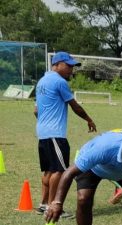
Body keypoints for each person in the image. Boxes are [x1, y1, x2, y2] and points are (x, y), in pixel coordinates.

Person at [34, 51, 97, 215]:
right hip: (56, 133)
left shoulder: (41, 81)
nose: (71, 70)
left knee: (48, 170)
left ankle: (43, 204)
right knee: (59, 170)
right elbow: (74, 105)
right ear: (57, 64)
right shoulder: (59, 81)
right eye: (68, 66)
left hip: (43, 132)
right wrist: (89, 119)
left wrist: (44, 121)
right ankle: (52, 206)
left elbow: (36, 110)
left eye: (72, 66)